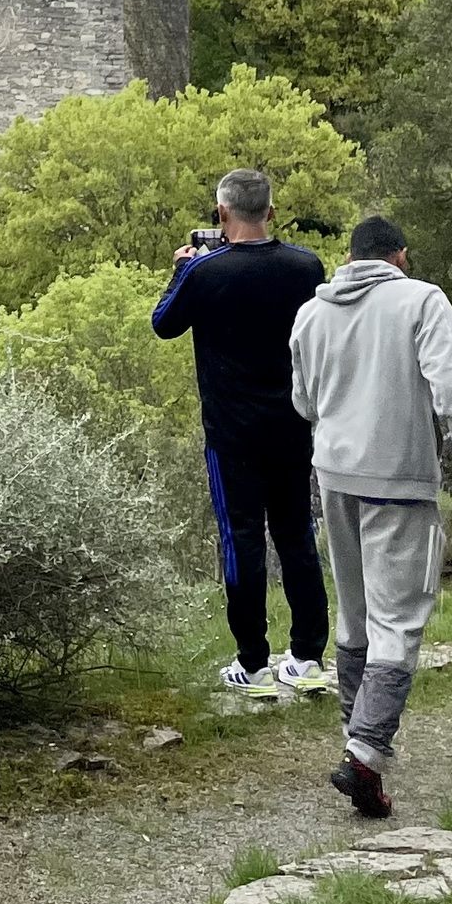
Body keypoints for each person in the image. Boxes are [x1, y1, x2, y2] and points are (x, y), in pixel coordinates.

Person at [291, 214, 452, 819]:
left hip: (334, 476)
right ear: (400, 257)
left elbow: (302, 402)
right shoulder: (422, 301)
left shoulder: (311, 313)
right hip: (399, 480)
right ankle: (365, 755)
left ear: (351, 258)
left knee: (354, 615)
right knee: (399, 621)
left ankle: (355, 736)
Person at [153, 167, 332, 693]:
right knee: (297, 536)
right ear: (270, 212)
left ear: (222, 214)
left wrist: (181, 269)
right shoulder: (305, 266)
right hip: (293, 425)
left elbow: (164, 323)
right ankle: (307, 657)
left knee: (243, 541)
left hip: (232, 434)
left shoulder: (204, 273)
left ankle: (253, 663)